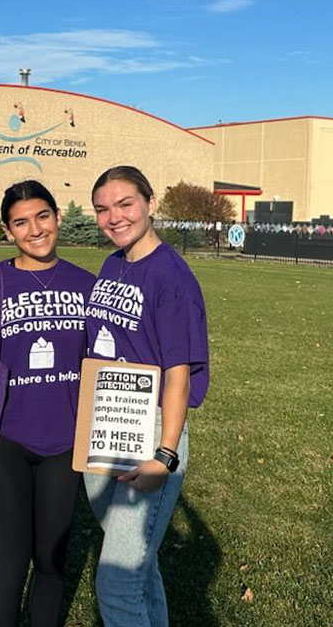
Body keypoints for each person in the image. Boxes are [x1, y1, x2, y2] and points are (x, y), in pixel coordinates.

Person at [0, 180, 97, 627]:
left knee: (50, 566)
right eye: (21, 222)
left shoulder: (85, 284)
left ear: (57, 217)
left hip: (63, 448)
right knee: (10, 570)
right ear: (8, 231)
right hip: (5, 443)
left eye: (43, 216)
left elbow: (108, 361)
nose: (35, 229)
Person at [83, 165, 210, 627]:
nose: (113, 217)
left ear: (150, 204)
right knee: (141, 565)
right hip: (106, 422)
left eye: (125, 204)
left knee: (116, 583)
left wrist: (165, 456)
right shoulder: (113, 263)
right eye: (102, 209)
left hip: (151, 429)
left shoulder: (171, 278)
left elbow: (179, 375)